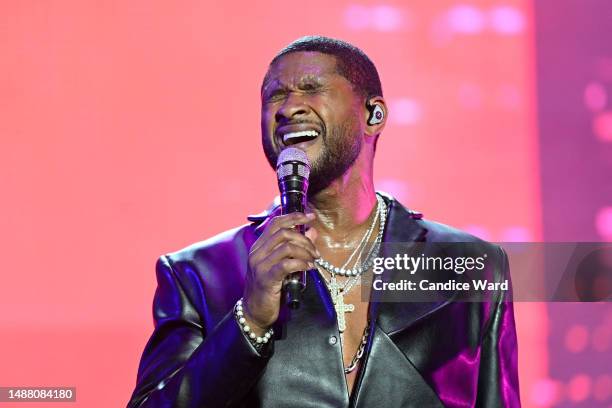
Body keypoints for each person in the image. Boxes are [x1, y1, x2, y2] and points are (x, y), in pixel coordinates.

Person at [127, 35, 520, 407]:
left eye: (311, 88)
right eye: (275, 96)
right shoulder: (198, 275)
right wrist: (249, 320)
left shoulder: (471, 267)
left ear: (373, 114)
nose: (287, 108)